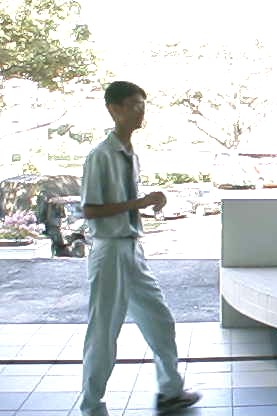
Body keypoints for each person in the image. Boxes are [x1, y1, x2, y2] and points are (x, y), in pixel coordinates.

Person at [79, 81, 200, 416]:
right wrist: (141, 202)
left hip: (132, 249)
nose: (140, 111)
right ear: (114, 109)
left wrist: (147, 202)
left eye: (142, 105)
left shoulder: (130, 153)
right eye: (133, 105)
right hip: (109, 251)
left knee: (160, 320)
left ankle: (170, 391)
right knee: (104, 331)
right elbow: (90, 210)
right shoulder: (100, 156)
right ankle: (91, 405)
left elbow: (125, 203)